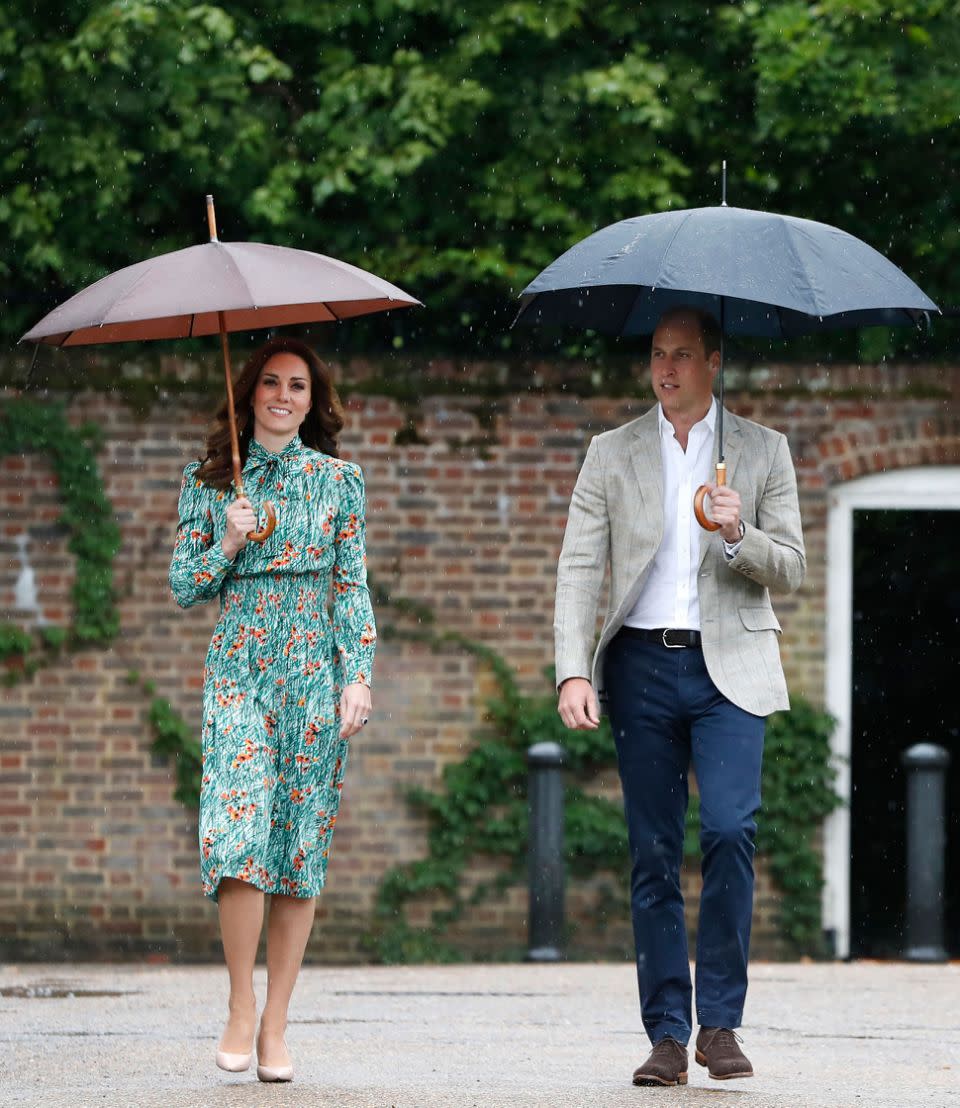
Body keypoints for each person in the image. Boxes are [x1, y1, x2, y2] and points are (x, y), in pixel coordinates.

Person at [555, 307, 804, 1087]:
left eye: (683, 355)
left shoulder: (763, 451)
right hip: (640, 666)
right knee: (653, 849)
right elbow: (578, 568)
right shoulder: (611, 452)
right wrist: (572, 669)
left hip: (731, 668)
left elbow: (791, 566)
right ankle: (667, 1033)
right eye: (658, 355)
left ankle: (719, 1024)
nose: (666, 369)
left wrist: (739, 536)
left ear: (714, 361)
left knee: (730, 831)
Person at [169, 337, 376, 1084]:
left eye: (297, 386)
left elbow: (350, 588)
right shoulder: (209, 480)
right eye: (270, 383)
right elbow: (185, 584)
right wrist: (228, 538)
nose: (283, 396)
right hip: (238, 670)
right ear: (250, 392)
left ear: (313, 401)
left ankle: (277, 1027)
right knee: (236, 827)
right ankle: (238, 1002)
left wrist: (358, 676)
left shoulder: (340, 482)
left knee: (296, 849)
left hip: (311, 674)